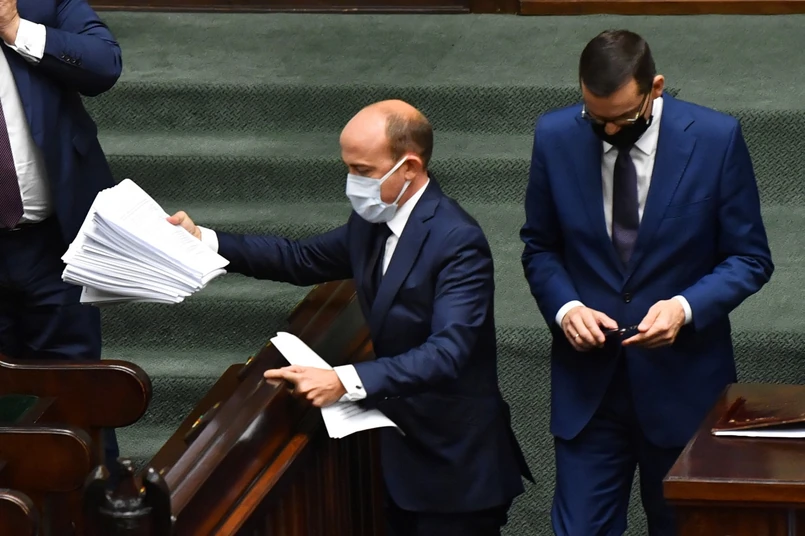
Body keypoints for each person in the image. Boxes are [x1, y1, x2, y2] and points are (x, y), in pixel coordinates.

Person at [169, 99, 532, 536]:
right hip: (402, 458)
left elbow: (447, 353)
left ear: (409, 168)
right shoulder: (372, 223)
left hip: (455, 468)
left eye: (362, 171)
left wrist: (344, 380)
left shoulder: (457, 240)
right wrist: (204, 240)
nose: (352, 183)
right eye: (348, 168)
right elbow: (299, 258)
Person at [520, 29, 773, 536]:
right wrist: (566, 308)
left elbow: (749, 258)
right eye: (597, 119)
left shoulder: (715, 139)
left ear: (655, 88)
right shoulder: (556, 136)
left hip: (682, 386)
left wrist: (684, 306)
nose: (610, 130)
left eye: (623, 117)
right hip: (590, 391)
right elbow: (540, 247)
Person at [0, 1, 122, 462]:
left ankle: (99, 498)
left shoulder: (38, 3)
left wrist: (15, 27)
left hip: (54, 245)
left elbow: (104, 65)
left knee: (75, 393)